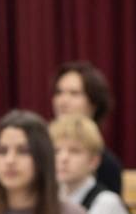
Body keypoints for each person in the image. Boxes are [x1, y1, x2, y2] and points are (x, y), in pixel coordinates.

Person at [50, 113, 130, 214]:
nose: (63, 158)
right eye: (56, 151)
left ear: (94, 161)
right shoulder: (49, 198)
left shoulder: (106, 203)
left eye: (74, 151)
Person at [51, 60, 123, 195]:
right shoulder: (41, 152)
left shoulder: (107, 165)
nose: (63, 101)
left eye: (74, 93)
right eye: (59, 92)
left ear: (94, 103)